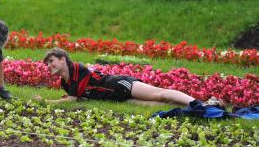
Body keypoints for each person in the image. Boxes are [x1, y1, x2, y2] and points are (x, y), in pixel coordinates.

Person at [34, 48, 196, 106]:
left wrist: (45, 101)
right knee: (156, 105)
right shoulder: (65, 82)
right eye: (47, 63)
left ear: (63, 60)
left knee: (159, 94)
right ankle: (189, 109)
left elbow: (73, 99)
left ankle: (198, 104)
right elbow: (82, 96)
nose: (49, 66)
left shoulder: (78, 69)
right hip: (115, 98)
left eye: (51, 61)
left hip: (120, 84)